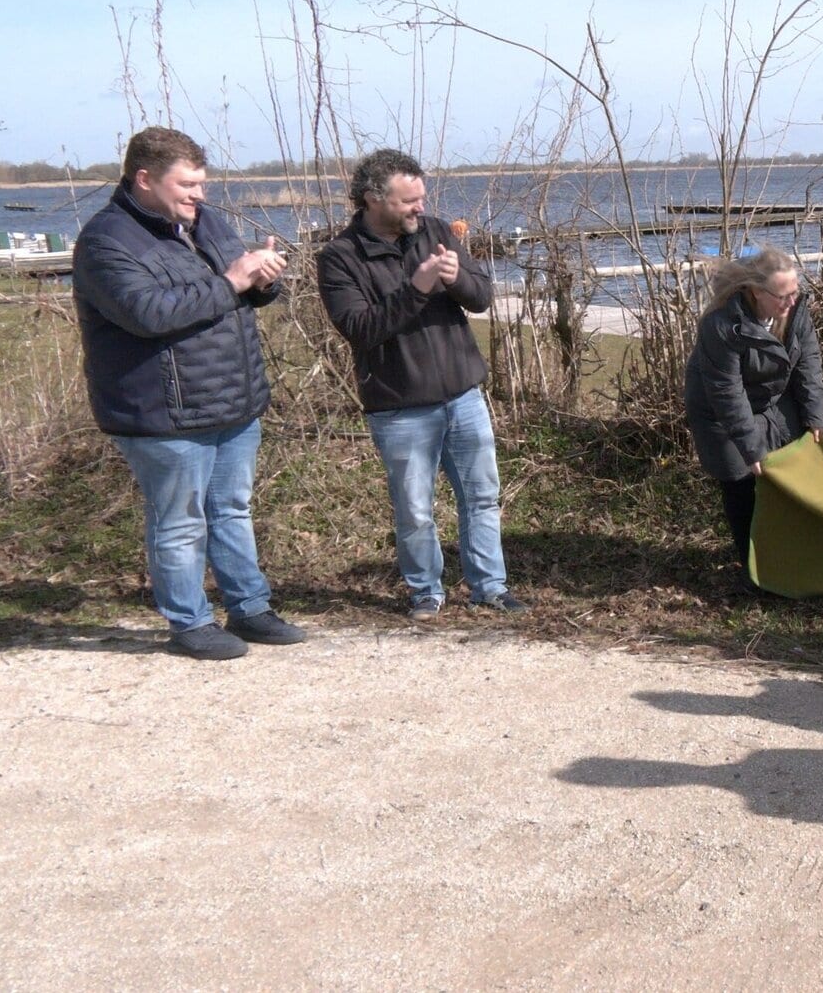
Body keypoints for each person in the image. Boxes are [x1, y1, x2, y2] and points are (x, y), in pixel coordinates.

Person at [72, 126, 305, 660]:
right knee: (179, 522)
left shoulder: (204, 221)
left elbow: (239, 291)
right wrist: (233, 281)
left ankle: (250, 608)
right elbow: (149, 314)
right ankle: (189, 622)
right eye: (189, 184)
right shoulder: (106, 242)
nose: (200, 194)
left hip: (233, 401)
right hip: (162, 412)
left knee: (232, 509)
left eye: (202, 183)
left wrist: (262, 280)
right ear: (145, 178)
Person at [316, 149, 526, 619]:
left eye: (422, 197)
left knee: (482, 497)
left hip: (464, 395)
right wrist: (419, 287)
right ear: (374, 198)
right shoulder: (340, 257)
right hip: (400, 407)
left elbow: (482, 297)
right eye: (409, 200)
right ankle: (425, 593)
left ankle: (489, 586)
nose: (419, 208)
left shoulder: (433, 231)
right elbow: (360, 328)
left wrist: (455, 280)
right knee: (414, 510)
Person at [683, 247, 823, 560]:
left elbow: (810, 363)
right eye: (782, 295)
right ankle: (751, 561)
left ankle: (786, 549)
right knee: (742, 480)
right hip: (718, 410)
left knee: (789, 465)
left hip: (772, 398)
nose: (791, 301)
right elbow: (726, 391)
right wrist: (751, 449)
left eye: (795, 291)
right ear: (757, 292)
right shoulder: (720, 325)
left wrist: (815, 418)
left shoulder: (795, 309)